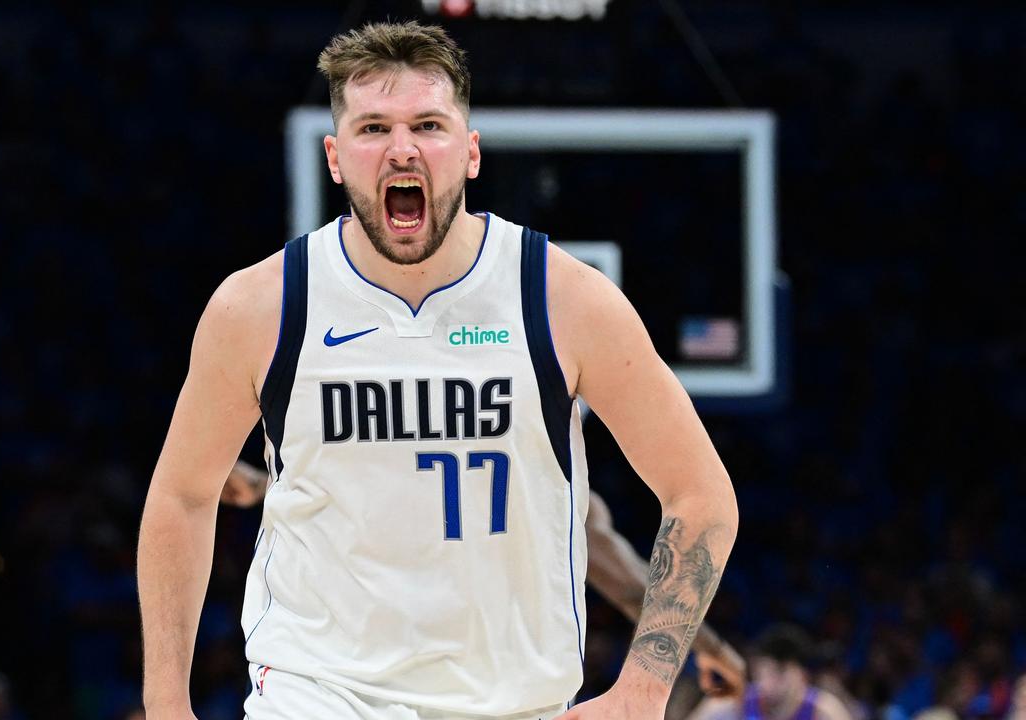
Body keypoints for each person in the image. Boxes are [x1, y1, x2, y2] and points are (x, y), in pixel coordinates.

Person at [137, 20, 738, 720]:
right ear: (335, 157)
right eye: (372, 129)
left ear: (471, 152)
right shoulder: (260, 306)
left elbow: (700, 495)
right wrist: (165, 704)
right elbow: (181, 497)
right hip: (318, 693)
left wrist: (642, 691)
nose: (401, 148)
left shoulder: (562, 299)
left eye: (427, 124)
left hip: (518, 701)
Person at [221, 460, 746, 698]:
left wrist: (266, 485)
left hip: (380, 669)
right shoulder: (549, 477)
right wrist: (712, 647)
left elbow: (366, 489)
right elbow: (631, 586)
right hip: (470, 678)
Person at [685, 625, 853, 720]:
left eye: (779, 672)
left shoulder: (823, 711)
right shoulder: (733, 705)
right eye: (763, 672)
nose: (769, 681)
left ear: (802, 675)